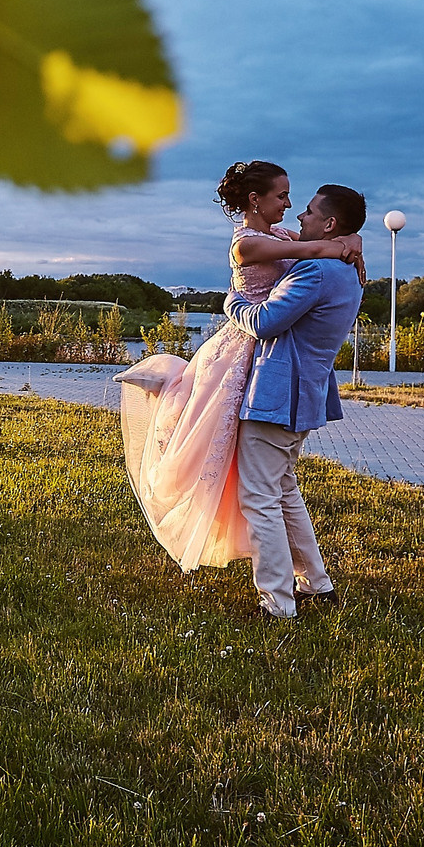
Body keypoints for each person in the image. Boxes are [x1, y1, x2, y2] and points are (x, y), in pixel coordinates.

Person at [115, 162, 364, 588]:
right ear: (255, 200)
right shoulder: (249, 245)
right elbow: (314, 249)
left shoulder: (283, 239)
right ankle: (309, 583)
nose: (291, 207)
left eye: (298, 202)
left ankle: (285, 595)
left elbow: (315, 250)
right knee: (265, 479)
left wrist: (348, 238)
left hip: (267, 365)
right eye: (284, 197)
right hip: (245, 350)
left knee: (267, 489)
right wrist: (344, 242)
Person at [218, 182, 368, 619]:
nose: (299, 216)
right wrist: (351, 242)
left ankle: (278, 604)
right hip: (304, 395)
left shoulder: (315, 271)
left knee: (260, 497)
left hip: (277, 395)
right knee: (283, 490)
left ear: (329, 223)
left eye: (307, 211)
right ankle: (317, 585)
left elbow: (264, 321)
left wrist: (231, 300)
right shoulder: (345, 268)